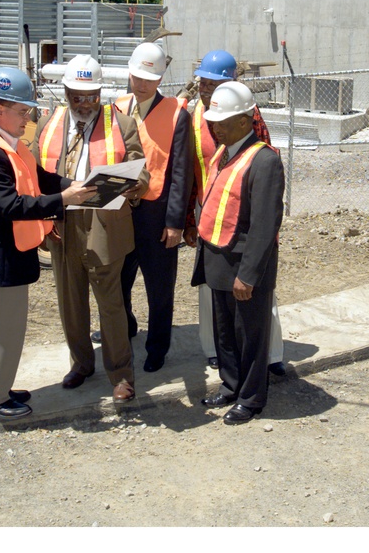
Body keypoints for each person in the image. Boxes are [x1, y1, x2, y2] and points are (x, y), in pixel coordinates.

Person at [0, 67, 96, 419]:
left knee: (8, 328)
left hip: (10, 253)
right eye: (23, 111)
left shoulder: (11, 146)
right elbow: (9, 205)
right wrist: (65, 199)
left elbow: (41, 179)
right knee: (0, 331)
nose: (28, 118)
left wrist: (80, 184)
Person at [36, 55, 147, 405]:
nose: (84, 103)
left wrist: (134, 186)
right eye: (77, 96)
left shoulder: (122, 122)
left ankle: (121, 375)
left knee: (110, 303)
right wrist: (46, 214)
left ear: (100, 92)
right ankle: (81, 364)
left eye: (90, 96)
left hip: (104, 224)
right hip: (63, 223)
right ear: (65, 91)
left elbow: (140, 170)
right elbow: (37, 175)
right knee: (71, 301)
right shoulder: (48, 123)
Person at [183, 49, 287, 376]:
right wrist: (189, 218)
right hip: (208, 208)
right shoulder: (191, 115)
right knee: (211, 290)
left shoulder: (249, 117)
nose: (204, 89)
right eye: (202, 82)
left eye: (212, 83)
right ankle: (216, 350)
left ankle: (269, 355)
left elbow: (264, 169)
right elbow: (185, 170)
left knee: (254, 291)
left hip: (242, 211)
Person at [114, 42, 194, 373]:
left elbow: (181, 172)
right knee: (117, 280)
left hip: (157, 213)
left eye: (149, 78)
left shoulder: (177, 114)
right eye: (137, 76)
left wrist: (175, 222)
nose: (142, 83)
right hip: (120, 211)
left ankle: (157, 346)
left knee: (159, 287)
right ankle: (125, 327)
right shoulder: (116, 108)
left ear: (160, 79)